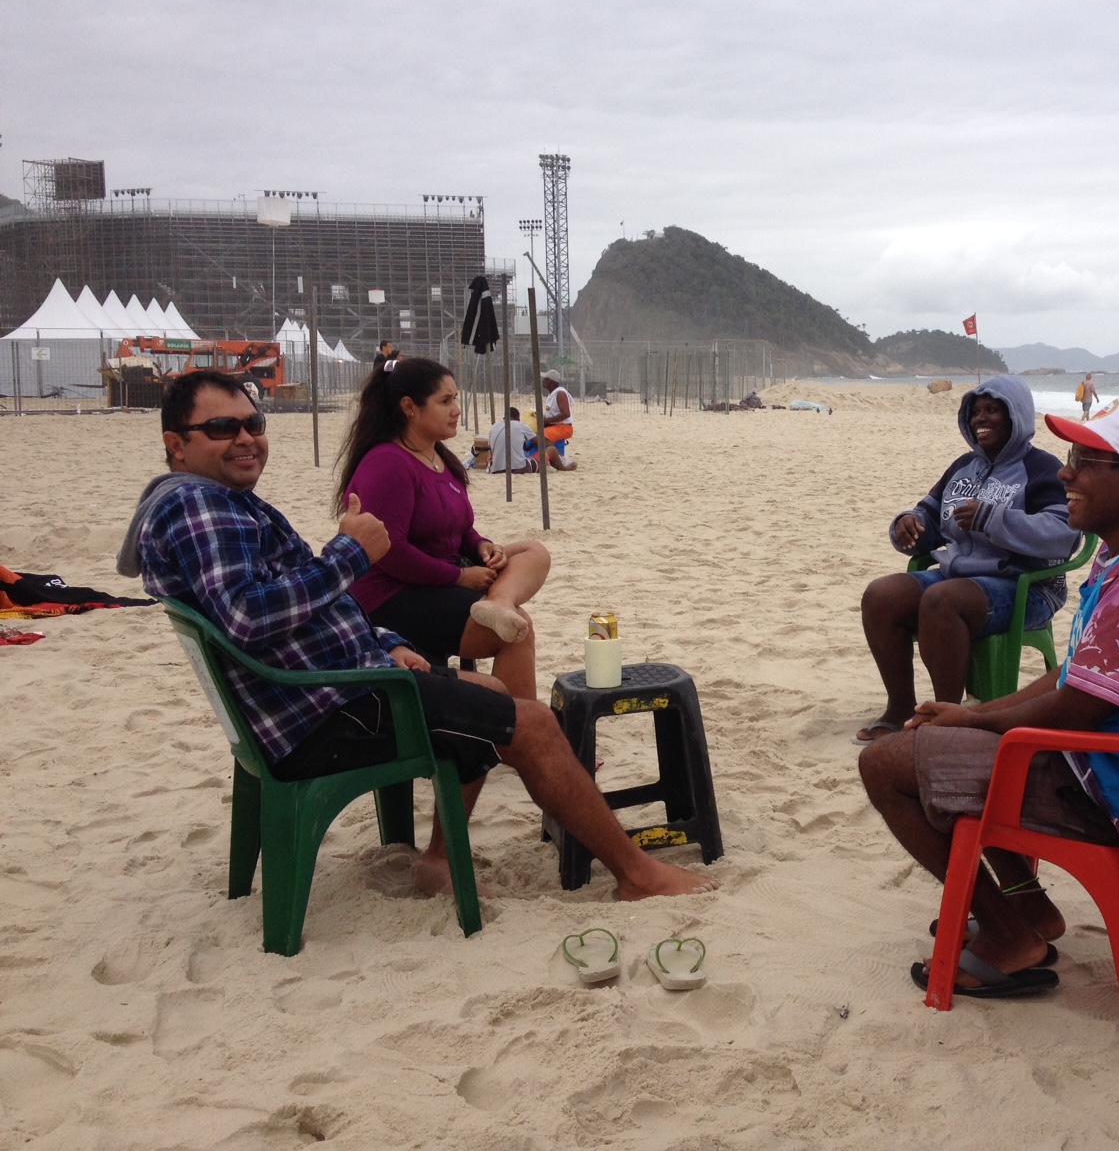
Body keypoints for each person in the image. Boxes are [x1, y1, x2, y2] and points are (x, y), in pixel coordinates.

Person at [127, 371, 714, 900]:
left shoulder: (220, 503)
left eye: (253, 422)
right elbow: (250, 617)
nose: (247, 437)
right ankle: (637, 876)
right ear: (176, 445)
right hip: (328, 710)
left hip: (334, 686)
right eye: (222, 427)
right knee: (530, 723)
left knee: (491, 700)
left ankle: (439, 859)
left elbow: (306, 609)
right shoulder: (202, 508)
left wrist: (384, 646)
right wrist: (350, 553)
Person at [858, 399, 1119, 997]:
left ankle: (1011, 936)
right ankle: (1029, 908)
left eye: (1085, 461)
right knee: (941, 738)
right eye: (1069, 457)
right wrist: (972, 715)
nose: (1064, 473)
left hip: (1110, 785)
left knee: (884, 765)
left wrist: (978, 728)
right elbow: (1072, 680)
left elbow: (1081, 707)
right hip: (1114, 761)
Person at [856, 375, 1077, 742]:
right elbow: (928, 512)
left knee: (943, 600)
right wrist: (908, 526)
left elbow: (1062, 536)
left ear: (1017, 417)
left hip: (1026, 586)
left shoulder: (1041, 468)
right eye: (975, 412)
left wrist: (993, 520)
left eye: (993, 410)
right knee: (881, 595)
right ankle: (899, 708)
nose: (980, 419)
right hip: (958, 577)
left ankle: (946, 719)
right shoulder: (964, 467)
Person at [336, 357, 551, 700]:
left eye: (455, 399)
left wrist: (482, 547)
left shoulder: (439, 459)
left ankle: (498, 601)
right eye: (445, 401)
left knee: (533, 551)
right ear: (409, 407)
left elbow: (461, 528)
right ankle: (519, 733)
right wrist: (459, 578)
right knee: (516, 630)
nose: (456, 410)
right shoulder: (388, 462)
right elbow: (390, 552)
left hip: (439, 577)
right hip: (391, 594)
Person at [488, 407, 536, 475]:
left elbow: (490, 450)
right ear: (517, 417)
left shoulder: (494, 427)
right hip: (518, 468)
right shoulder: (522, 425)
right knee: (551, 451)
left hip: (496, 469)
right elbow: (540, 443)